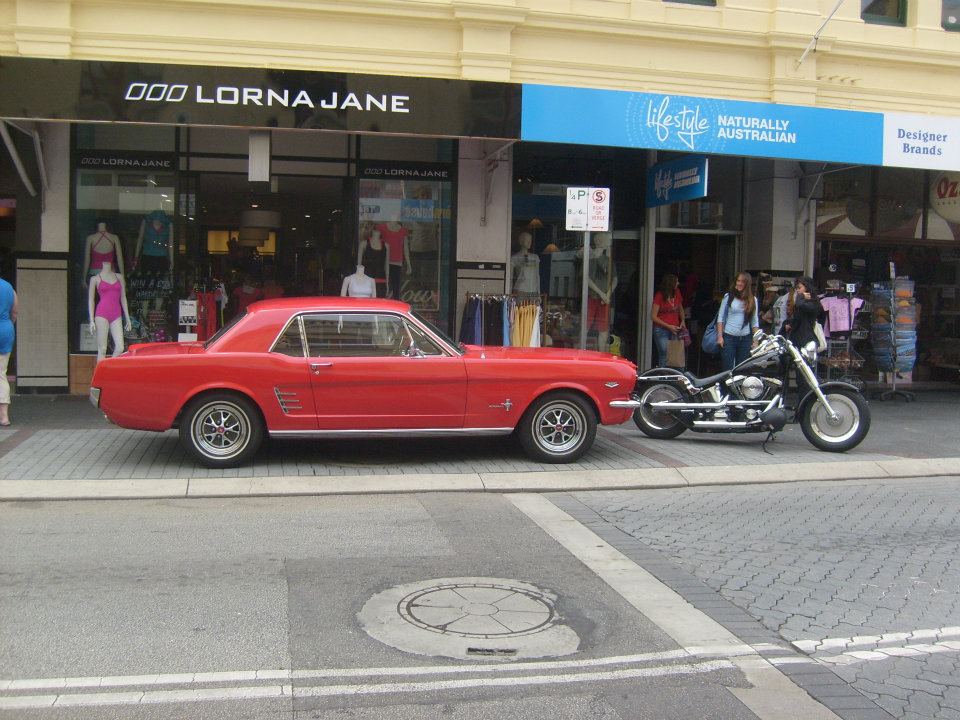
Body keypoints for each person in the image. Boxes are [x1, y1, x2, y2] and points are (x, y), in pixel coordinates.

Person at [783, 276, 822, 399]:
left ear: (807, 288)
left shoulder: (812, 303)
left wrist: (800, 297)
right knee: (790, 370)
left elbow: (800, 305)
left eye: (799, 288)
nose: (797, 290)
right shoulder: (804, 303)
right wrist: (789, 325)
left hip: (805, 341)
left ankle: (805, 401)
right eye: (796, 288)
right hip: (796, 341)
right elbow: (797, 319)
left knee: (804, 376)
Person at [87, 261, 132, 363]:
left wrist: (127, 318)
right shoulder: (95, 279)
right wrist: (91, 320)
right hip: (101, 314)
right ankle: (101, 372)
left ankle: (108, 367)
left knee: (120, 347)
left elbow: (123, 297)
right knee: (102, 349)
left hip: (116, 314)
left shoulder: (119, 277)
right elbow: (91, 300)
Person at [716, 271, 759, 371]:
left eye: (742, 282)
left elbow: (754, 321)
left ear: (747, 284)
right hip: (729, 337)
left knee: (742, 369)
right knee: (728, 369)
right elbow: (720, 317)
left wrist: (756, 341)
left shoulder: (753, 300)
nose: (739, 283)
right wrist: (720, 336)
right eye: (738, 281)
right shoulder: (728, 297)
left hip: (745, 339)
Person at [652, 273, 685, 367]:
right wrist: (668, 326)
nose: (678, 283)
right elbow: (653, 316)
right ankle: (664, 374)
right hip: (661, 329)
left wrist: (683, 320)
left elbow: (680, 308)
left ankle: (673, 373)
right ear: (671, 284)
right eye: (676, 282)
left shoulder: (677, 292)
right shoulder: (659, 296)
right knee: (664, 353)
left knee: (675, 354)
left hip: (675, 329)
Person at [135, 208, 174, 276]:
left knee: (160, 278)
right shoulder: (146, 221)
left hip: (161, 257)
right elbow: (140, 239)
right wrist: (136, 257)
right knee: (146, 278)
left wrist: (172, 260)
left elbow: (171, 244)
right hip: (147, 256)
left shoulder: (168, 223)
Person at [0, 276, 17, 425]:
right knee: (1, 374)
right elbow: (15, 312)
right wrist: (7, 325)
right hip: (5, 331)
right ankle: (4, 417)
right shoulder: (8, 287)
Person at [358, 229, 389, 297]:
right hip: (366, 280)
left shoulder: (386, 245)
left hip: (381, 280)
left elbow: (387, 266)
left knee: (379, 302)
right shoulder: (364, 244)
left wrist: (387, 283)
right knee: (367, 301)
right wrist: (358, 281)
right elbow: (359, 266)